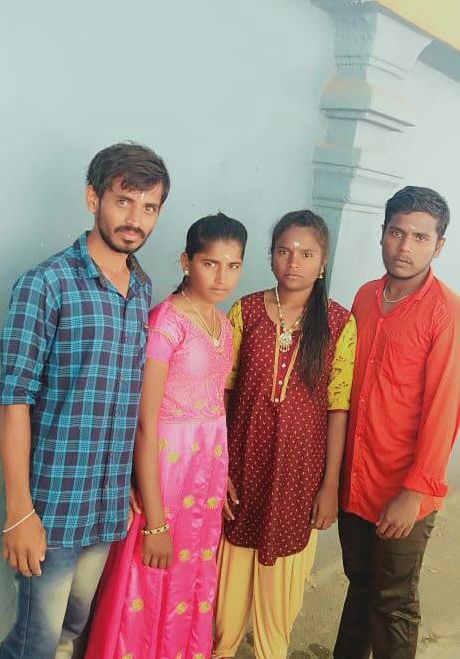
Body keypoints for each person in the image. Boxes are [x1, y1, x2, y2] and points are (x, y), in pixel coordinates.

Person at [0, 141, 170, 659]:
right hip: (52, 507)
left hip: (107, 506)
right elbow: (14, 400)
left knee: (72, 629)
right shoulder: (45, 285)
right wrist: (19, 511)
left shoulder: (141, 288)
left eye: (149, 207)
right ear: (93, 199)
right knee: (34, 641)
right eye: (124, 201)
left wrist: (131, 484)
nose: (135, 219)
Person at [85, 213, 248, 659]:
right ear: (186, 261)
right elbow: (145, 421)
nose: (222, 276)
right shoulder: (166, 322)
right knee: (151, 575)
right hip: (167, 475)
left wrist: (220, 473)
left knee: (190, 581)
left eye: (233, 265)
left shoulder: (223, 325)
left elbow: (214, 404)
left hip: (205, 478)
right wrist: (154, 521)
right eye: (210, 263)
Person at [213, 210, 356, 659]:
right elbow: (222, 393)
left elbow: (338, 407)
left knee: (279, 602)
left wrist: (329, 485)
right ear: (271, 256)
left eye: (306, 254)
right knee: (226, 601)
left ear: (323, 261)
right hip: (241, 466)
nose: (294, 262)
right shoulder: (246, 312)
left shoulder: (339, 323)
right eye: (284, 251)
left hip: (298, 475)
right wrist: (219, 467)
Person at [334, 186, 460, 659]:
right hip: (355, 482)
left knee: (393, 602)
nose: (405, 247)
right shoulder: (365, 297)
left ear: (439, 246)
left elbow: (444, 411)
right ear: (383, 233)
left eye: (420, 238)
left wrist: (413, 492)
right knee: (360, 584)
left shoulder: (446, 313)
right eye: (397, 233)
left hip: (403, 489)